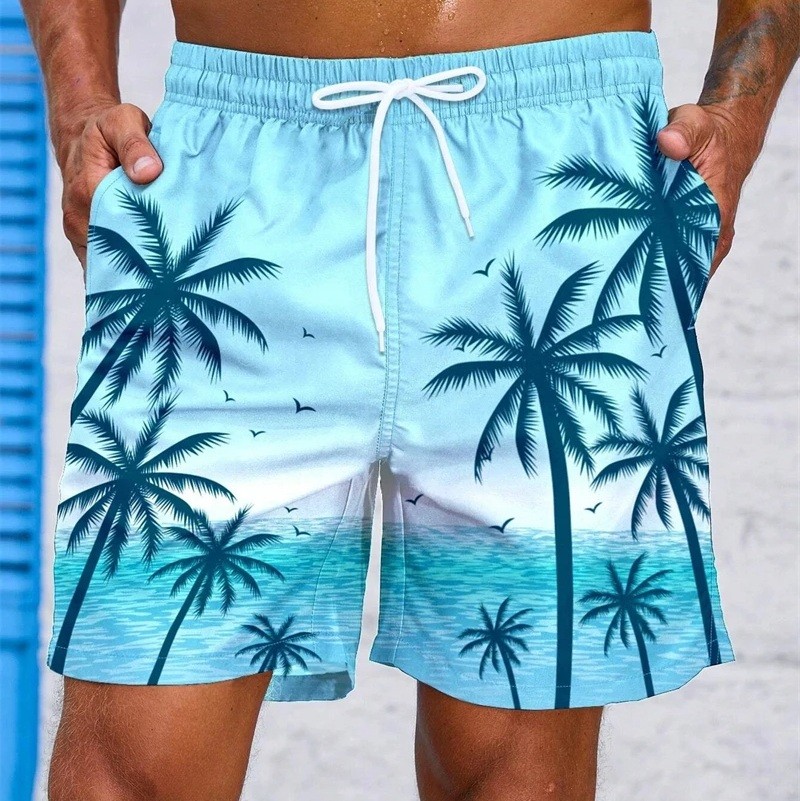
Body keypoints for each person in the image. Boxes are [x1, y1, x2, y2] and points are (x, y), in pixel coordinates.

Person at [21, 0, 798, 798]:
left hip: (558, 185)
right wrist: (79, 106)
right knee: (126, 771)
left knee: (515, 777)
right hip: (227, 182)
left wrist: (736, 123)